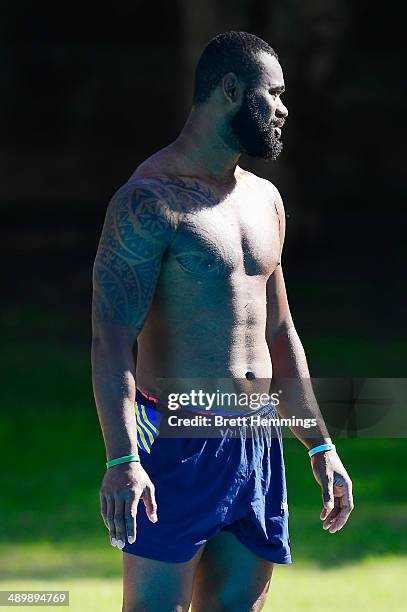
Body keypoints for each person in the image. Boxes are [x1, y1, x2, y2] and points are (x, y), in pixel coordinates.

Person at [91, 31, 354, 612]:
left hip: (256, 437)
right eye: (275, 94)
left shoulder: (265, 200)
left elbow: (280, 334)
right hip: (177, 442)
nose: (285, 110)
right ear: (232, 90)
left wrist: (320, 445)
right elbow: (111, 341)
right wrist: (122, 458)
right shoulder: (149, 201)